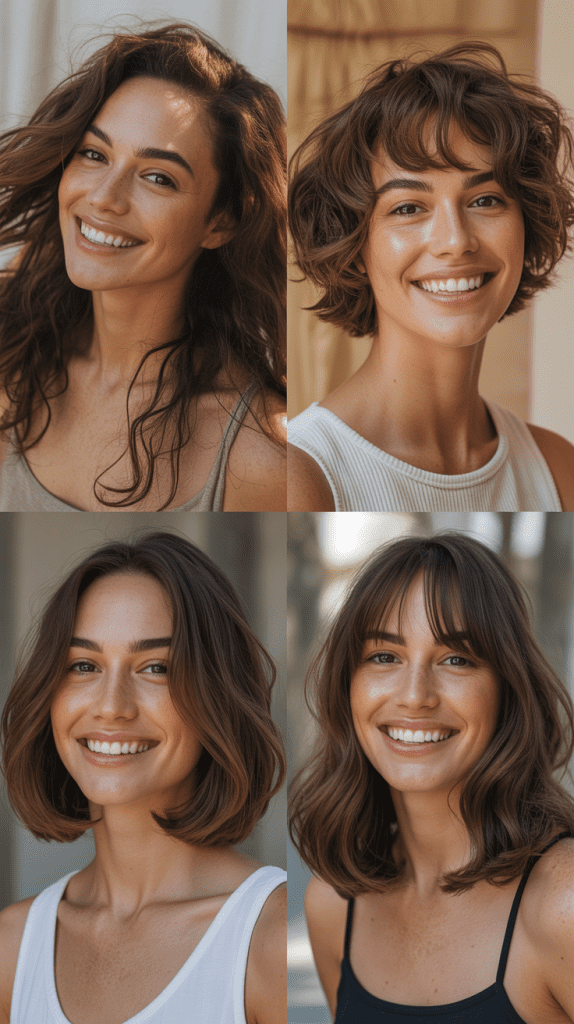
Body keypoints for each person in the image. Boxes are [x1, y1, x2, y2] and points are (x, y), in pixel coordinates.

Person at [0, 531, 286, 1024]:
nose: (112, 706)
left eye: (155, 667)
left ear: (217, 695)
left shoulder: (268, 938)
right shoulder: (11, 948)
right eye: (84, 665)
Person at [0, 23, 286, 510]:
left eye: (158, 178)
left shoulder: (261, 454)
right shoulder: (14, 358)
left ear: (221, 221)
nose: (103, 197)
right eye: (94, 154)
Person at [290, 533, 574, 1022]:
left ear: (508, 689)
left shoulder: (562, 903)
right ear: (348, 684)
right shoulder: (333, 905)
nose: (415, 695)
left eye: (456, 659)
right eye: (384, 656)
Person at [288, 42, 574, 512]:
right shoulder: (304, 475)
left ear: (528, 223)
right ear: (354, 247)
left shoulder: (558, 470)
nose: (455, 241)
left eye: (485, 200)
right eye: (408, 208)